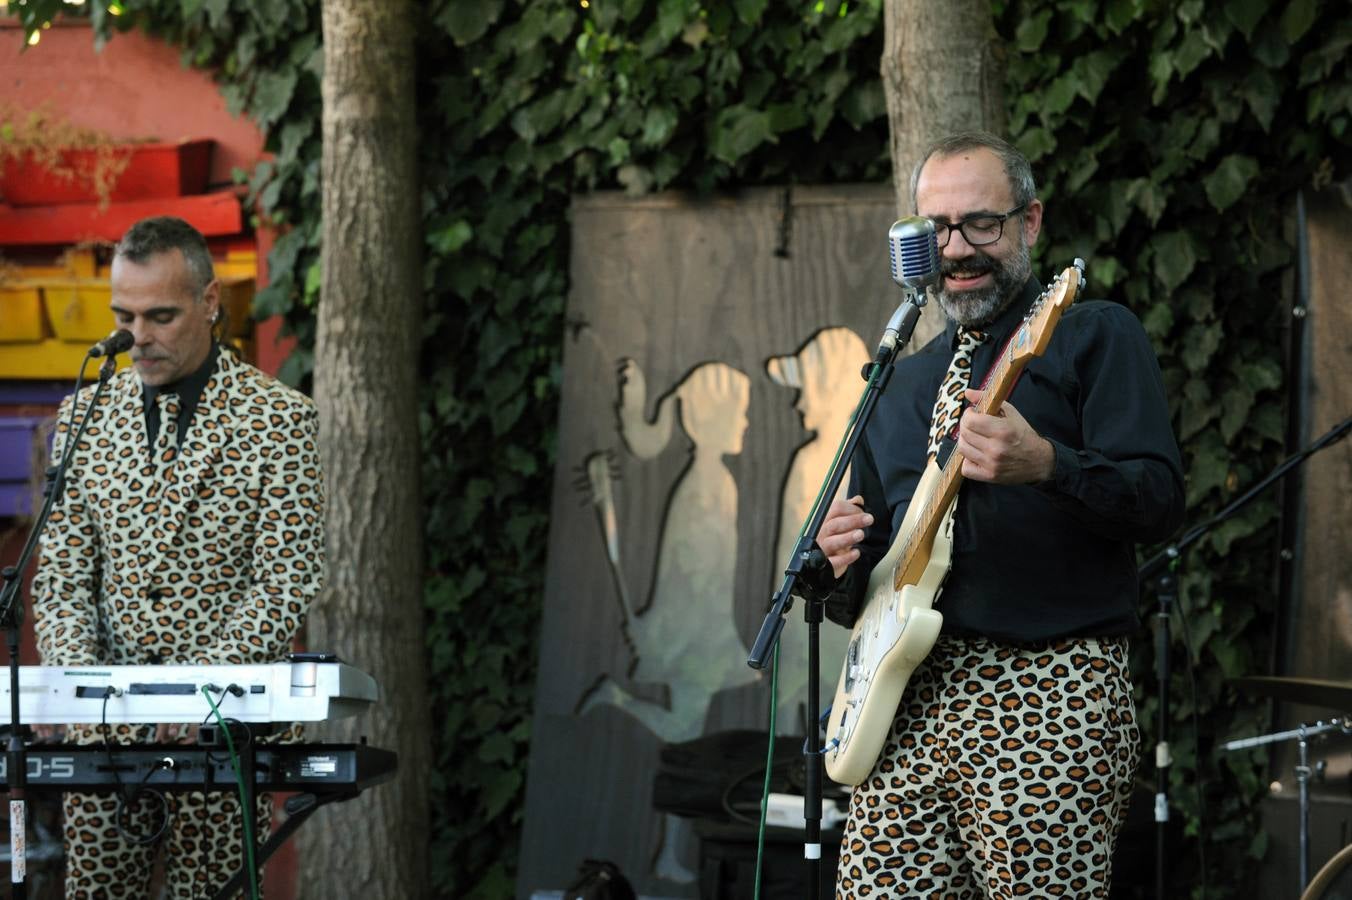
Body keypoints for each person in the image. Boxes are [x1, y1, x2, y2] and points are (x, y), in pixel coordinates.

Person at [816, 132, 1185, 899]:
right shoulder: (900, 384)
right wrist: (837, 563)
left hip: (1052, 685)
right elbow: (872, 582)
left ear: (1030, 222)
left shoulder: (1091, 334)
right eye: (936, 230)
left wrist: (1048, 465)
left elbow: (1157, 500)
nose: (958, 248)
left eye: (980, 223)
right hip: (906, 706)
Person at [31, 216, 326, 898]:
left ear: (210, 302)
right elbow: (64, 578)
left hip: (223, 728)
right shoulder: (83, 417)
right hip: (102, 735)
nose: (138, 336)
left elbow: (287, 577)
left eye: (161, 315)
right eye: (125, 315)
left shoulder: (279, 419)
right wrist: (77, 689)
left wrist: (206, 687)